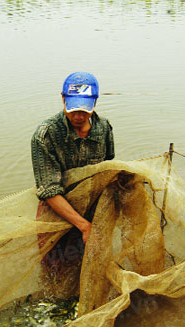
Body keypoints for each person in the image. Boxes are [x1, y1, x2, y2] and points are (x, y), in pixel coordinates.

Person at [31, 71, 114, 244]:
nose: (78, 116)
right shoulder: (45, 135)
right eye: (73, 109)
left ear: (95, 102)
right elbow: (49, 190)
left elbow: (108, 168)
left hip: (92, 210)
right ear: (63, 98)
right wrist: (83, 226)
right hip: (56, 215)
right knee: (54, 267)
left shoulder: (104, 128)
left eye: (84, 110)